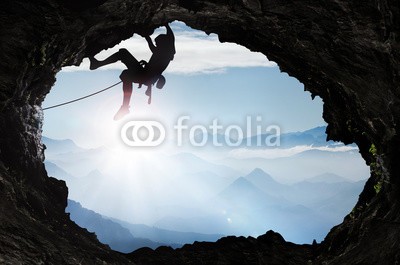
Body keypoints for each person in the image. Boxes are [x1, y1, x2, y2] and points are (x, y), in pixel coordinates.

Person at [89, 24, 175, 120]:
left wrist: (166, 25)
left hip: (145, 76)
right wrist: (147, 36)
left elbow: (171, 37)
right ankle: (125, 106)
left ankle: (125, 107)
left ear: (163, 43)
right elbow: (152, 45)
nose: (156, 45)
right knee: (124, 61)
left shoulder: (168, 52)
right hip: (145, 74)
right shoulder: (160, 52)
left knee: (124, 60)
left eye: (157, 43)